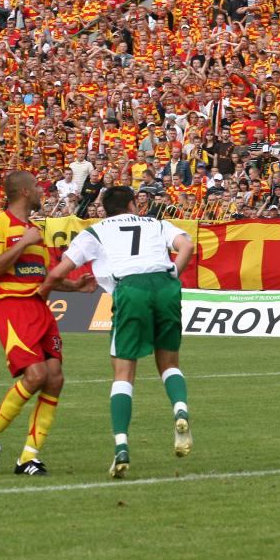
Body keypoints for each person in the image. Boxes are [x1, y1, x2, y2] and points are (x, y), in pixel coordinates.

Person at [40, 187, 195, 478]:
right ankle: (180, 409)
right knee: (169, 363)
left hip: (131, 289)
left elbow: (59, 271)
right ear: (133, 204)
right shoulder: (154, 223)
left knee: (123, 374)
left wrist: (50, 291)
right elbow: (186, 246)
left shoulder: (95, 232)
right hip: (165, 286)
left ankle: (121, 446)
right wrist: (172, 275)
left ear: (105, 210)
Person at [0, 171, 96, 477]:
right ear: (25, 192)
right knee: (36, 375)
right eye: (38, 188)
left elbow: (42, 277)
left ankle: (28, 457)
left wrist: (74, 286)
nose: (43, 192)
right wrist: (21, 244)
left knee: (54, 379)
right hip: (12, 307)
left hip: (39, 307)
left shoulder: (35, 230)